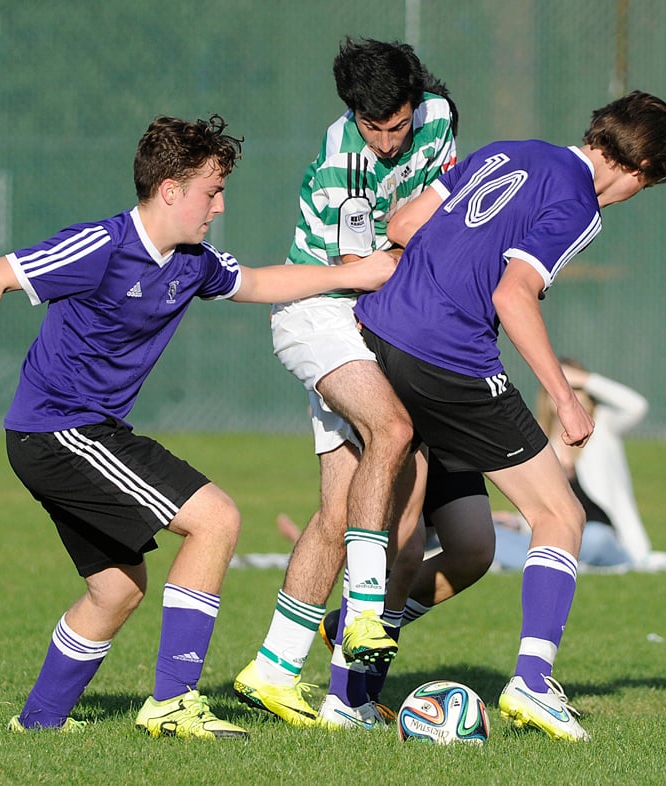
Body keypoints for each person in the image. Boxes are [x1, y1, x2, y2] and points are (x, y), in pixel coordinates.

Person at [0, 114, 396, 739]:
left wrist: (352, 274)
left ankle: (39, 724)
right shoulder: (103, 246)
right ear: (171, 190)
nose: (220, 205)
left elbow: (260, 281)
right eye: (212, 191)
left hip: (75, 433)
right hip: (60, 431)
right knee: (215, 519)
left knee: (117, 590)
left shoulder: (192, 262)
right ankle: (174, 702)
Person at [354, 90, 666, 742]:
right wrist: (564, 396)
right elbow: (514, 293)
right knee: (559, 514)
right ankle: (533, 683)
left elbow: (401, 226)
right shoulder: (580, 200)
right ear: (638, 165)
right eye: (645, 185)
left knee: (473, 546)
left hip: (384, 334)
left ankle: (352, 673)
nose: (632, 195)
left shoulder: (510, 150)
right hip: (449, 354)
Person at [233, 37, 460, 728]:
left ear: (415, 105)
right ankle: (362, 615)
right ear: (352, 116)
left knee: (343, 516)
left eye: (397, 126)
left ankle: (277, 672)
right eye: (373, 128)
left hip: (369, 318)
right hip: (321, 312)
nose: (388, 143)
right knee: (393, 430)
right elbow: (371, 269)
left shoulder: (441, 117)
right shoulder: (342, 168)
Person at [492, 358, 666, 572]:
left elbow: (637, 406)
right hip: (560, 533)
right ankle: (561, 562)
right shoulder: (540, 443)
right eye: (558, 390)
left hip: (604, 535)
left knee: (594, 538)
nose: (568, 396)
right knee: (490, 534)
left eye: (575, 389)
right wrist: (516, 523)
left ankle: (551, 562)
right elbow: (543, 504)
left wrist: (585, 379)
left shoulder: (603, 427)